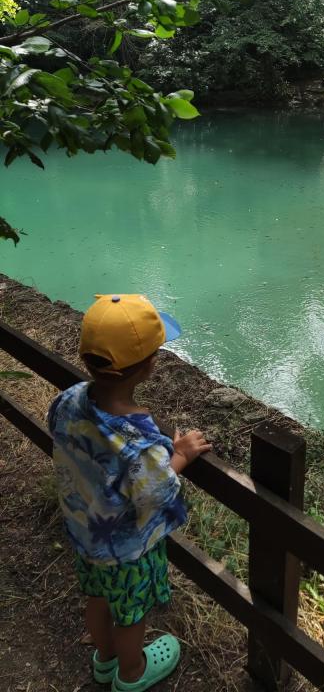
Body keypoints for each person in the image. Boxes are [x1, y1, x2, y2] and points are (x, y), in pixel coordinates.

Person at [48, 293, 212, 692]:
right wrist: (180, 455)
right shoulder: (136, 441)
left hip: (87, 535)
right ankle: (132, 672)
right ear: (150, 365)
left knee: (97, 599)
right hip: (126, 551)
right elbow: (156, 491)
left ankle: (104, 660)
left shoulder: (70, 400)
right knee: (131, 614)